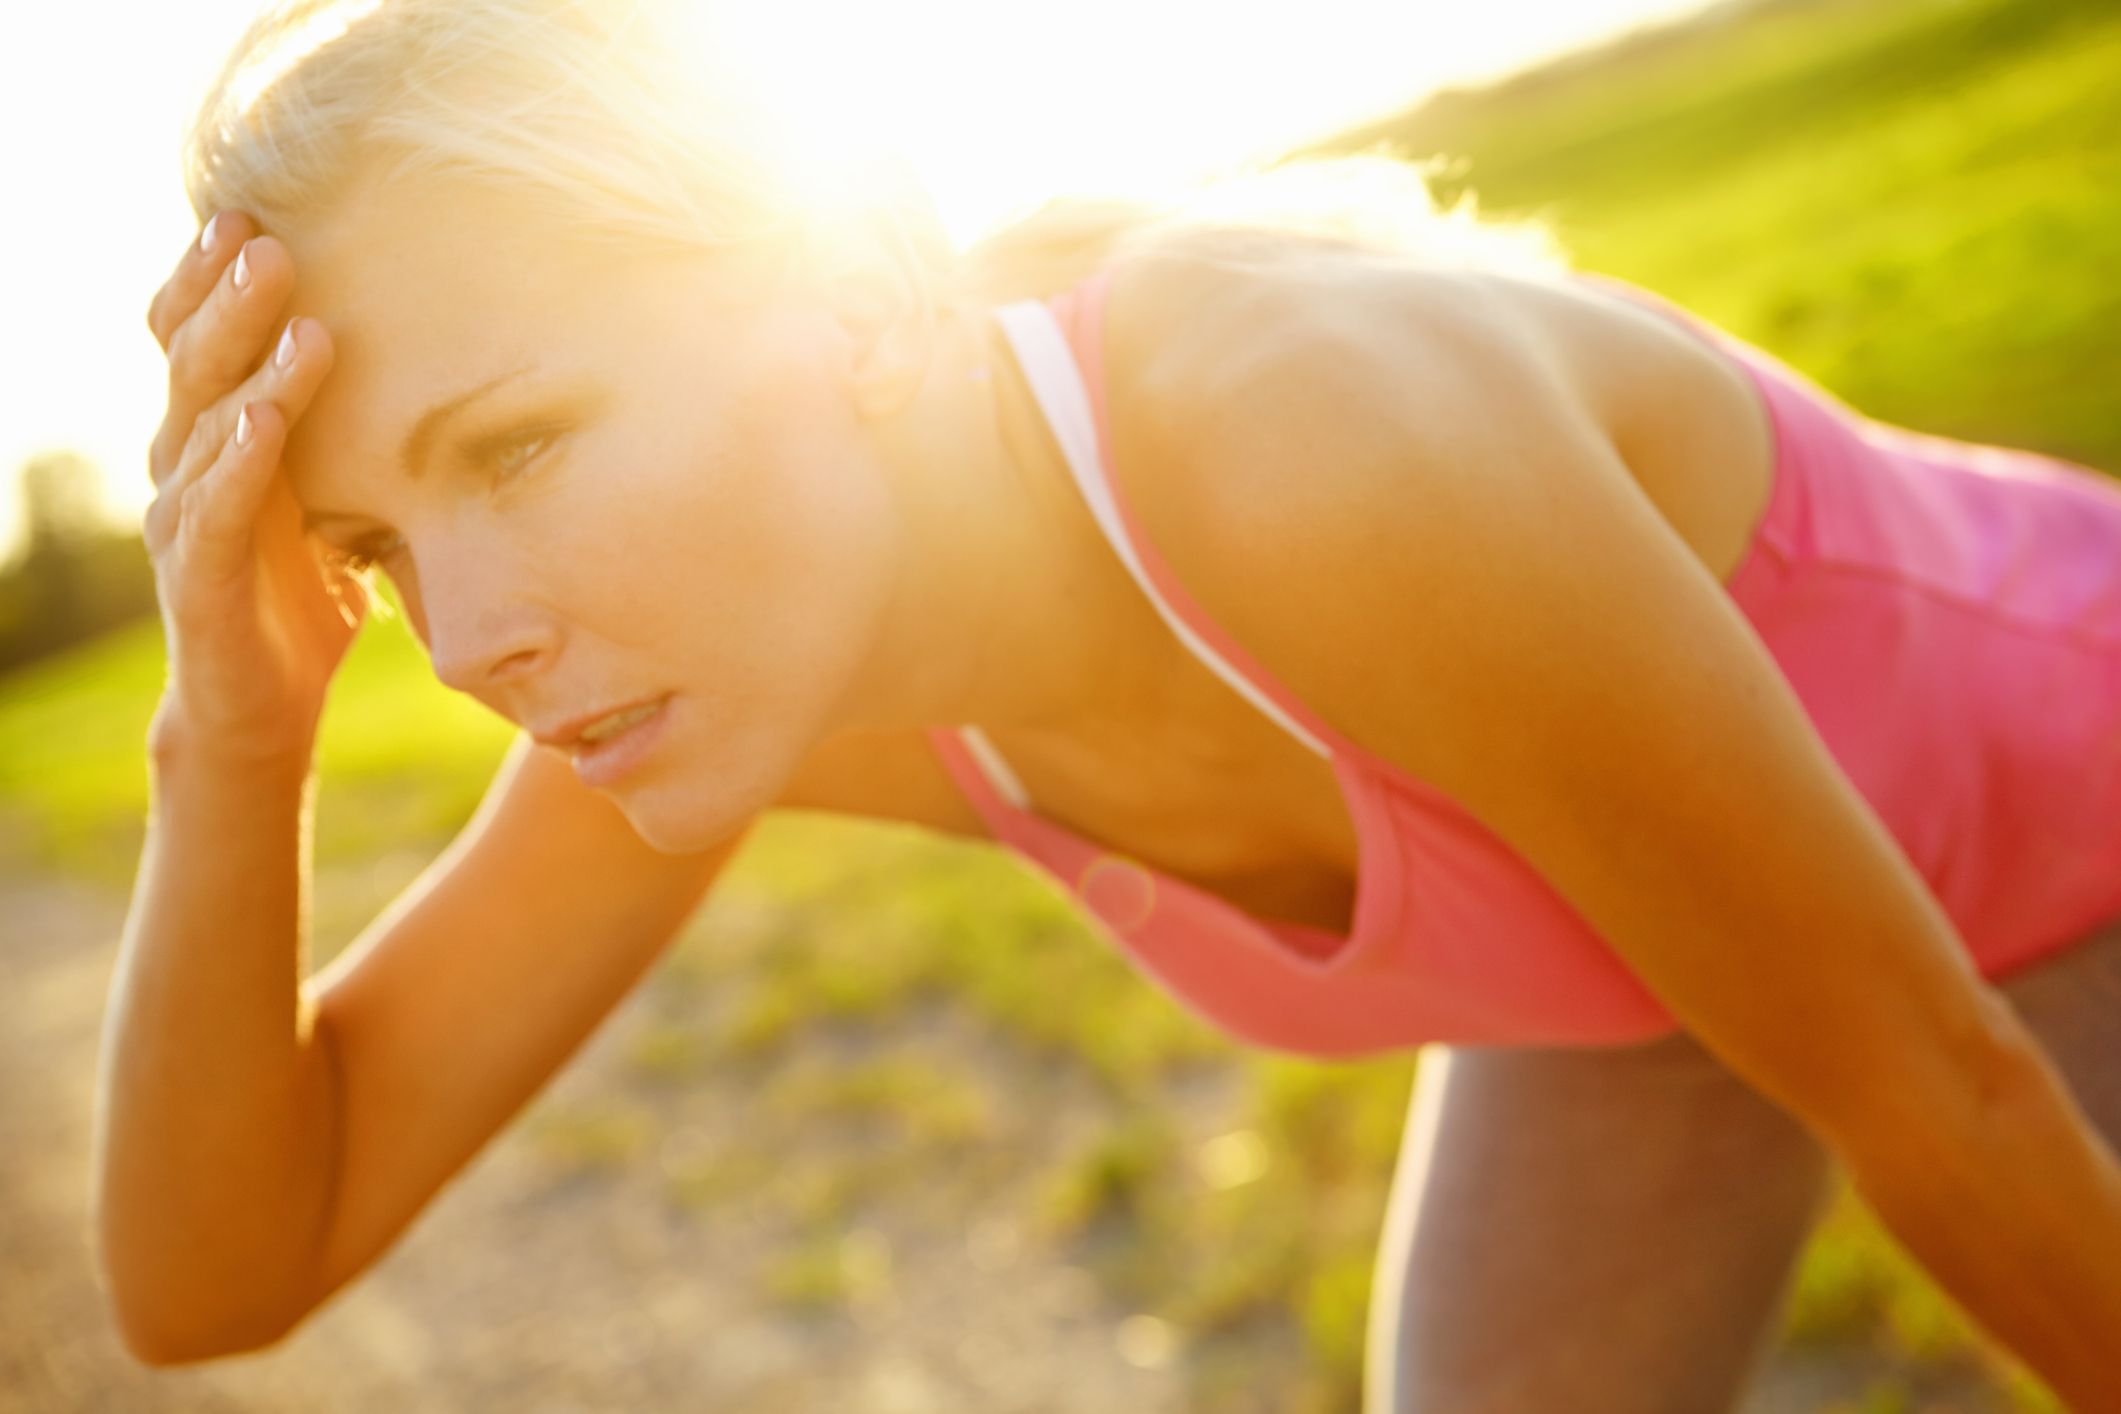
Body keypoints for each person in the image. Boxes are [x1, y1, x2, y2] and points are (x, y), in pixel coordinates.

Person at [92, 0, 2121, 1407]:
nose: (462, 641)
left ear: (859, 292)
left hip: (2069, 833)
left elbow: (1936, 1093)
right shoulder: (749, 667)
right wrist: (236, 738)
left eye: (520, 444)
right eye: (372, 546)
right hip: (1640, 990)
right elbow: (219, 1272)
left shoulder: (1297, 436)